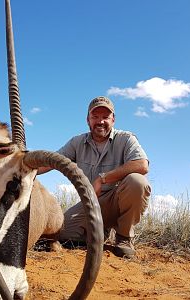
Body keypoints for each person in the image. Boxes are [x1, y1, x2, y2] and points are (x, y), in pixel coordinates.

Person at [38, 96, 151, 258]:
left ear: (113, 119)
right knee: (59, 232)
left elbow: (142, 165)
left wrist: (102, 178)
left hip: (116, 201)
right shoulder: (77, 142)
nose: (100, 121)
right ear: (88, 120)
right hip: (91, 204)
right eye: (95, 117)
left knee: (137, 182)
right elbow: (52, 161)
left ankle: (124, 238)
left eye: (105, 117)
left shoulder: (126, 139)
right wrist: (28, 168)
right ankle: (99, 232)